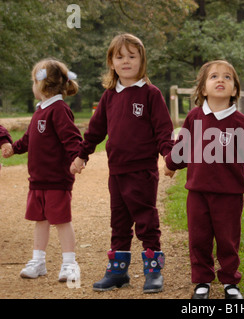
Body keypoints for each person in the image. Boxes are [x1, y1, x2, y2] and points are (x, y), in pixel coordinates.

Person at [164, 60, 244, 299]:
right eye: (214, 76)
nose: (221, 80)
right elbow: (183, 145)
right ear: (203, 89)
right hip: (197, 192)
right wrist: (171, 164)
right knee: (199, 238)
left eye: (227, 77)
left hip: (229, 194)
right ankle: (202, 282)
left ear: (235, 90)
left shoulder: (240, 122)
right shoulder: (194, 117)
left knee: (228, 240)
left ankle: (230, 282)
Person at [71, 33, 173, 293]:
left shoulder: (150, 94)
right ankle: (118, 272)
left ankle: (153, 271)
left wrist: (169, 158)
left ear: (142, 61)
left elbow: (163, 130)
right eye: (120, 57)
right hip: (116, 171)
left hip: (142, 171)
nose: (126, 61)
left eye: (132, 56)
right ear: (111, 62)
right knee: (119, 222)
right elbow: (95, 130)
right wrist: (83, 154)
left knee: (146, 221)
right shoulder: (109, 96)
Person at [2, 58, 82, 283]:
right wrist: (14, 149)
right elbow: (29, 139)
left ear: (42, 85)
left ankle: (69, 263)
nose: (32, 86)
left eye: (33, 82)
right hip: (37, 179)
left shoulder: (59, 110)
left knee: (62, 220)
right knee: (40, 219)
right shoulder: (40, 110)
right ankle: (38, 261)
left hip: (57, 179)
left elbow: (72, 139)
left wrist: (77, 158)